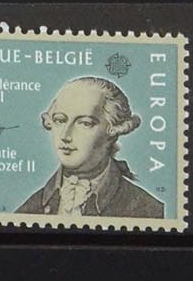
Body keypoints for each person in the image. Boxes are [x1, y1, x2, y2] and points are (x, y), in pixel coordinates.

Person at [17, 77, 166, 219]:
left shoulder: (148, 209)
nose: (65, 135)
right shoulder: (28, 210)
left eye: (85, 123)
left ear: (113, 131)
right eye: (60, 120)